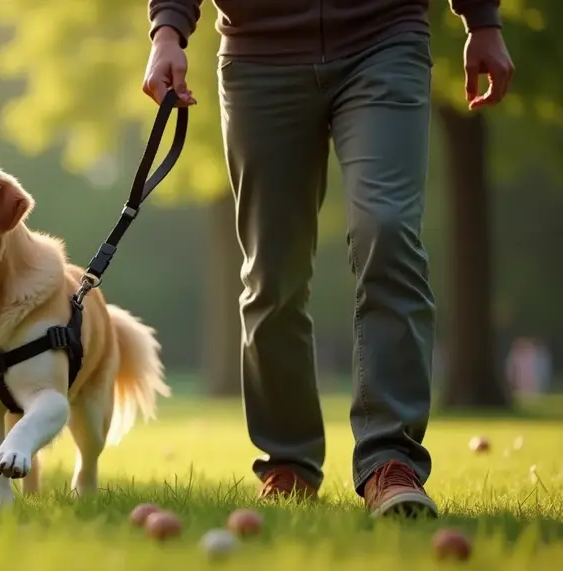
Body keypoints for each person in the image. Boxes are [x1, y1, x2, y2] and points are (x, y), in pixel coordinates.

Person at [142, 0, 514, 518]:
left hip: (385, 37)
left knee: (386, 230)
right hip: (259, 54)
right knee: (273, 270)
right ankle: (288, 462)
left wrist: (483, 20)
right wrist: (167, 30)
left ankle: (391, 460)